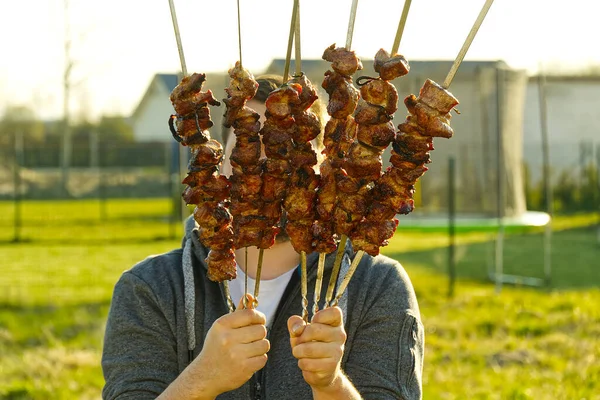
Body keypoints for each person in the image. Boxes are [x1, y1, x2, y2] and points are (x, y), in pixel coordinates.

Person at [102, 75, 424, 400]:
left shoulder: (377, 286)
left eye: (292, 147)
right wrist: (202, 378)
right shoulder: (150, 288)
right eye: (252, 143)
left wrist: (331, 386)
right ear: (219, 163)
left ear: (325, 167)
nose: (272, 165)